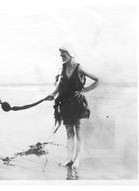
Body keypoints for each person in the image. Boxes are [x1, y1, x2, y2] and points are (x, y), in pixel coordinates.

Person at [46, 47, 98, 178]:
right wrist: (52, 95)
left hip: (78, 104)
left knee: (78, 131)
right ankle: (69, 159)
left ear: (71, 54)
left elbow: (98, 79)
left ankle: (78, 159)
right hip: (65, 104)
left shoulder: (79, 68)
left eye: (63, 53)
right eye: (60, 53)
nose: (61, 55)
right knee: (69, 132)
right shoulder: (63, 68)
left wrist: (84, 91)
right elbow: (60, 86)